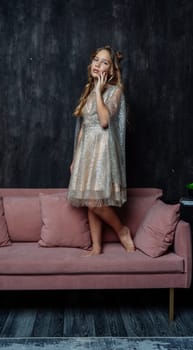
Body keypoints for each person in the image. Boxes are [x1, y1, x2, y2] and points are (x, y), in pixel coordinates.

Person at [67, 45, 135, 256]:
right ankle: (96, 248)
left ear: (112, 70)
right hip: (87, 154)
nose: (98, 64)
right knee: (90, 201)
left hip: (103, 152)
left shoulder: (115, 92)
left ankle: (122, 230)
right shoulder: (87, 93)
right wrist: (75, 159)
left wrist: (98, 91)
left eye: (104, 61)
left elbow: (104, 121)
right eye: (96, 59)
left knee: (94, 202)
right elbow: (84, 129)